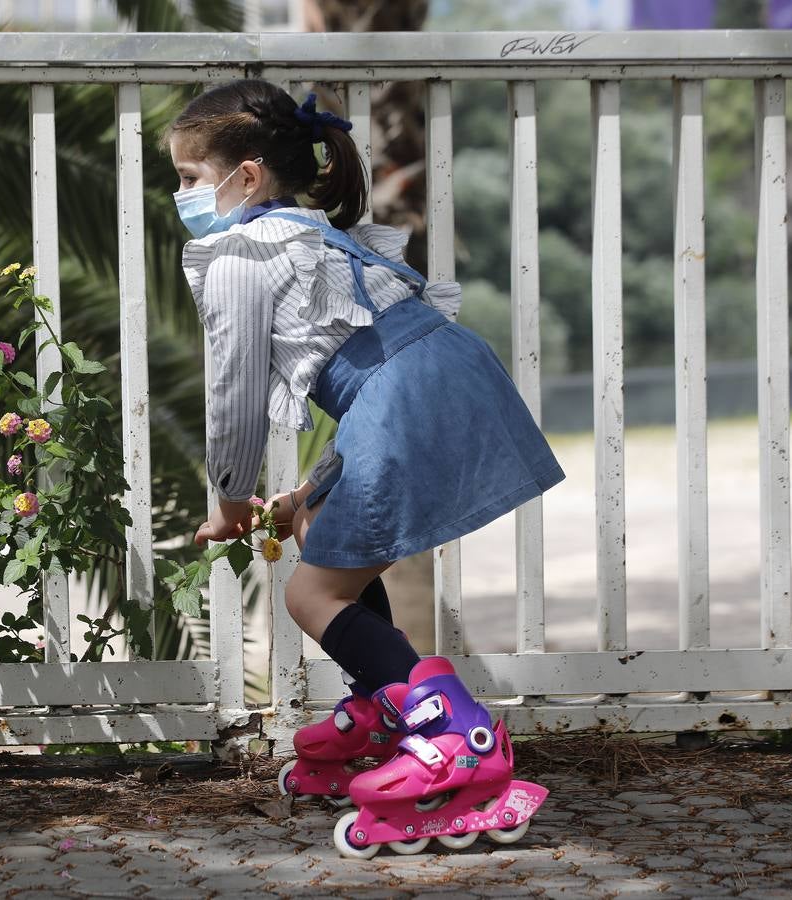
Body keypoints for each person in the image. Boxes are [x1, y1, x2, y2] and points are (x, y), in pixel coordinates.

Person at [165, 81, 559, 845]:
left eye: (188, 177)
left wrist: (231, 496)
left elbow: (234, 388)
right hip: (444, 375)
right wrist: (309, 488)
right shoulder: (310, 234)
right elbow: (384, 363)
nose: (180, 194)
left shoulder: (245, 250)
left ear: (245, 176)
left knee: (310, 598)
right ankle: (388, 711)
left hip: (403, 394)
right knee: (321, 535)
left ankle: (454, 738)